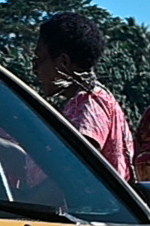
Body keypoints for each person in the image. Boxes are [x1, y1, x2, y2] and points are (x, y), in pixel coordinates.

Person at [33, 13, 133, 178]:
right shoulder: (82, 102)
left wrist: (32, 197)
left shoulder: (89, 104)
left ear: (63, 63)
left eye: (39, 59)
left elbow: (76, 171)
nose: (35, 69)